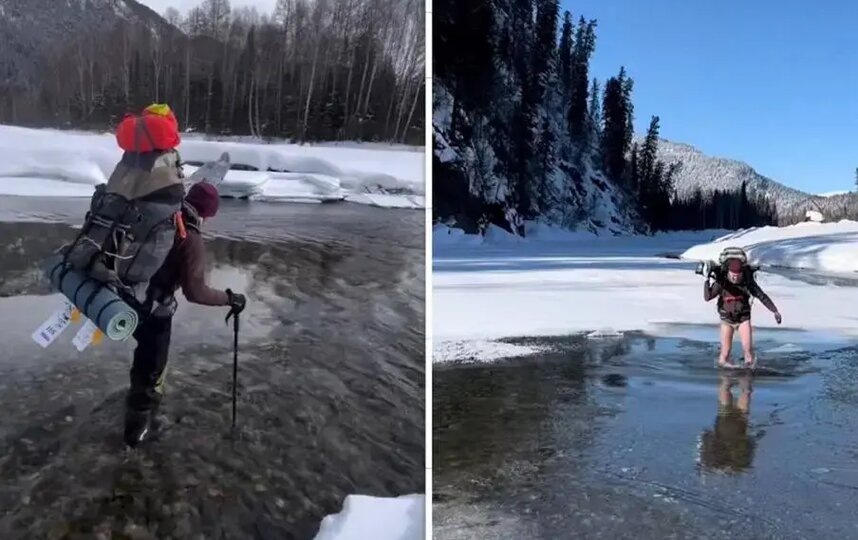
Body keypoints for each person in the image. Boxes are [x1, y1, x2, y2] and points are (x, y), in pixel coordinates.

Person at [124, 181, 247, 447]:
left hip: (128, 298)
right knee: (152, 369)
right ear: (207, 212)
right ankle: (135, 438)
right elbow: (196, 292)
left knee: (143, 361)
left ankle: (140, 409)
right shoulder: (189, 238)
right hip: (155, 310)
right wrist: (230, 299)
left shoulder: (162, 216)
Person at [703, 250, 782, 368]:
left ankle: (747, 381)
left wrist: (775, 311)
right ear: (728, 272)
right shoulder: (721, 282)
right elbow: (708, 297)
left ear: (742, 273)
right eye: (732, 274)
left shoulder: (748, 281)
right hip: (726, 320)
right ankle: (725, 381)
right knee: (725, 353)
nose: (735, 276)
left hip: (743, 319)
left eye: (738, 274)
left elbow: (762, 296)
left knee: (748, 351)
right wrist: (706, 280)